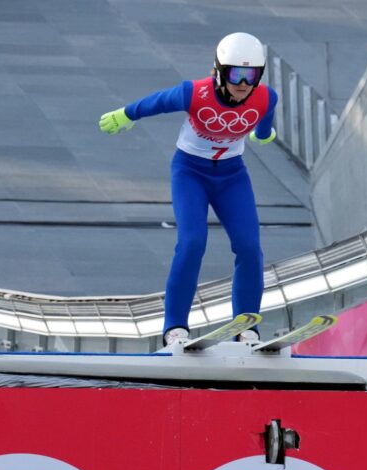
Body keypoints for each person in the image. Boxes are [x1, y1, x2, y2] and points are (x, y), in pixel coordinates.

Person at [99, 32, 278, 345]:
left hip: (232, 176)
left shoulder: (266, 97)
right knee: (192, 242)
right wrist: (126, 114)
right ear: (219, 71)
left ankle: (247, 326)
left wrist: (263, 135)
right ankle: (174, 327)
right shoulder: (195, 93)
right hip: (190, 173)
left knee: (249, 247)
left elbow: (264, 122)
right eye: (236, 73)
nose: (243, 83)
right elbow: (158, 102)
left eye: (252, 75)